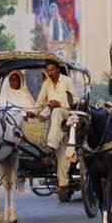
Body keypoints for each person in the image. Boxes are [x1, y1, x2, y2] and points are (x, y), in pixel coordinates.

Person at [31, 59, 78, 195]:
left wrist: (60, 104)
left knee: (57, 112)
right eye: (48, 70)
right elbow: (39, 102)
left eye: (52, 70)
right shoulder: (46, 84)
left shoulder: (67, 81)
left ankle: (50, 145)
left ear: (58, 69)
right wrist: (32, 112)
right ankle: (63, 183)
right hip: (53, 119)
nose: (50, 73)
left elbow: (75, 100)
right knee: (62, 150)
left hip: (67, 114)